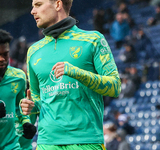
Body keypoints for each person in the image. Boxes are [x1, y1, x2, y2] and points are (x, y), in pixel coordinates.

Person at [21, 0, 121, 150]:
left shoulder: (92, 40)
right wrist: (30, 107)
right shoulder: (33, 51)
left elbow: (115, 87)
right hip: (46, 142)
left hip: (86, 141)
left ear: (57, 4)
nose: (32, 11)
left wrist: (76, 72)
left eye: (38, 4)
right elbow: (37, 98)